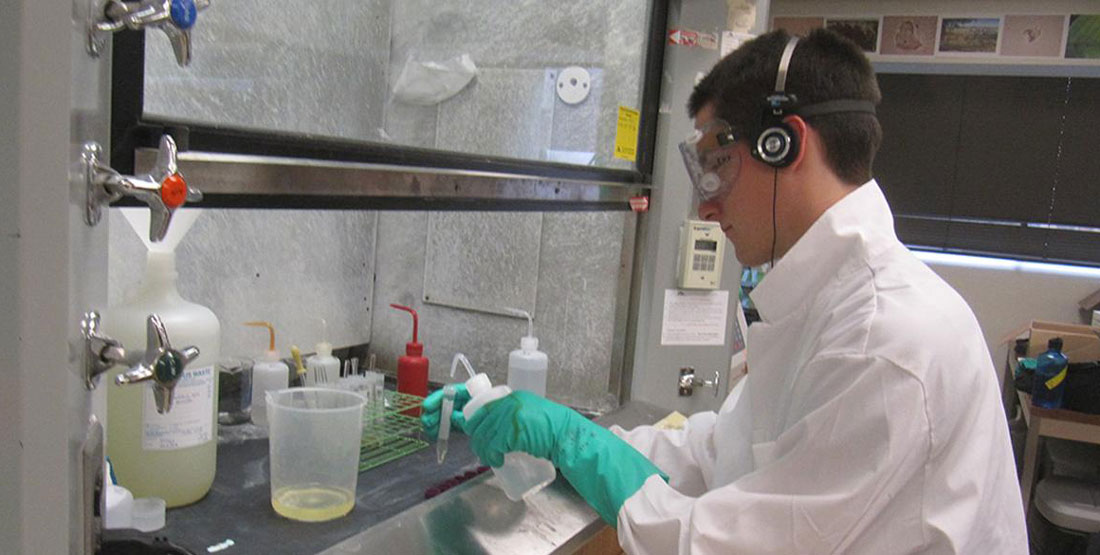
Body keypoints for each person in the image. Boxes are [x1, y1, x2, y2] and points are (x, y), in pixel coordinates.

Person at [421, 29, 1027, 553]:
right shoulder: (828, 306)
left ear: (783, 143)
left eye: (718, 163)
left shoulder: (883, 339)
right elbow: (719, 454)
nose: (707, 203)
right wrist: (546, 427)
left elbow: (728, 545)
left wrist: (572, 441)